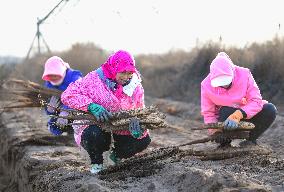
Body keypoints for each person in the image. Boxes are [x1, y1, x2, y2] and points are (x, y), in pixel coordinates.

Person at [61, 50, 151, 174]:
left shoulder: (135, 86)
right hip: (97, 125)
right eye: (123, 72)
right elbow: (68, 94)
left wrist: (139, 128)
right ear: (114, 68)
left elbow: (140, 110)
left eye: (130, 73)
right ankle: (97, 162)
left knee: (143, 140)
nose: (126, 77)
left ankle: (116, 156)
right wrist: (91, 106)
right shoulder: (95, 79)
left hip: (121, 127)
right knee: (94, 135)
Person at [201, 52, 277, 147]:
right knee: (225, 110)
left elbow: (256, 100)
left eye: (226, 81)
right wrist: (216, 132)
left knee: (270, 109)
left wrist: (238, 115)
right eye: (220, 82)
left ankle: (251, 140)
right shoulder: (206, 85)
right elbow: (208, 113)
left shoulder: (244, 74)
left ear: (232, 72)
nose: (224, 85)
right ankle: (224, 144)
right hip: (225, 120)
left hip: (247, 115)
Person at [42, 56, 83, 136]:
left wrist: (66, 111)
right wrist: (49, 109)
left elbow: (80, 98)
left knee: (77, 126)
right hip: (59, 112)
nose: (53, 77)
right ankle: (60, 130)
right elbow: (45, 101)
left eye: (55, 74)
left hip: (78, 111)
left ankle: (75, 133)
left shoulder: (75, 78)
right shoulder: (48, 85)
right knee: (54, 127)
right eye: (50, 75)